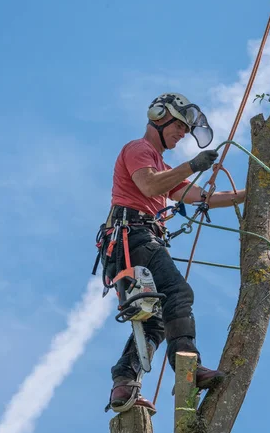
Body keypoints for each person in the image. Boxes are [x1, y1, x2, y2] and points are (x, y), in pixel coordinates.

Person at [103, 93, 246, 413]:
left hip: (134, 242)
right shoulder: (138, 150)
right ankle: (188, 369)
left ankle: (124, 382)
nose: (182, 134)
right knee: (178, 294)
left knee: (153, 323)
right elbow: (150, 187)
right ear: (158, 117)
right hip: (134, 237)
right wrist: (192, 165)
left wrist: (249, 194)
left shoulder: (161, 165)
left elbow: (199, 195)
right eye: (179, 127)